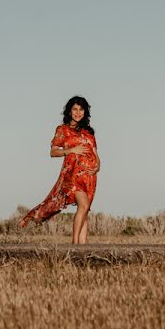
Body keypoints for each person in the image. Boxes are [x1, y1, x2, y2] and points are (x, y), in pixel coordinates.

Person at [19, 95, 101, 244]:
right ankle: (75, 244)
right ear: (69, 111)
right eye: (75, 109)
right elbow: (53, 152)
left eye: (81, 109)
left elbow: (95, 153)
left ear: (85, 112)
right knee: (83, 205)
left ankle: (82, 248)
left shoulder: (89, 132)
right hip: (73, 174)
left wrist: (97, 166)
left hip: (89, 176)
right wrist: (71, 150)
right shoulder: (62, 130)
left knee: (85, 210)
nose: (78, 112)